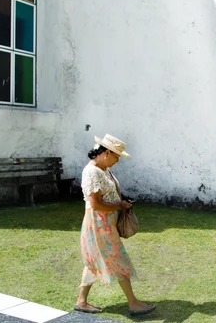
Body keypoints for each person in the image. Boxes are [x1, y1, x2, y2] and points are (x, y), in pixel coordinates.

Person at [75, 134, 156, 316]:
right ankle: (133, 303)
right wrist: (119, 205)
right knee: (118, 259)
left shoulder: (103, 169)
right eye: (116, 156)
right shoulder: (92, 172)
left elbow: (107, 195)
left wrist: (121, 201)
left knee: (94, 260)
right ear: (107, 152)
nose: (117, 160)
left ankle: (81, 301)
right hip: (99, 223)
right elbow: (95, 204)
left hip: (105, 222)